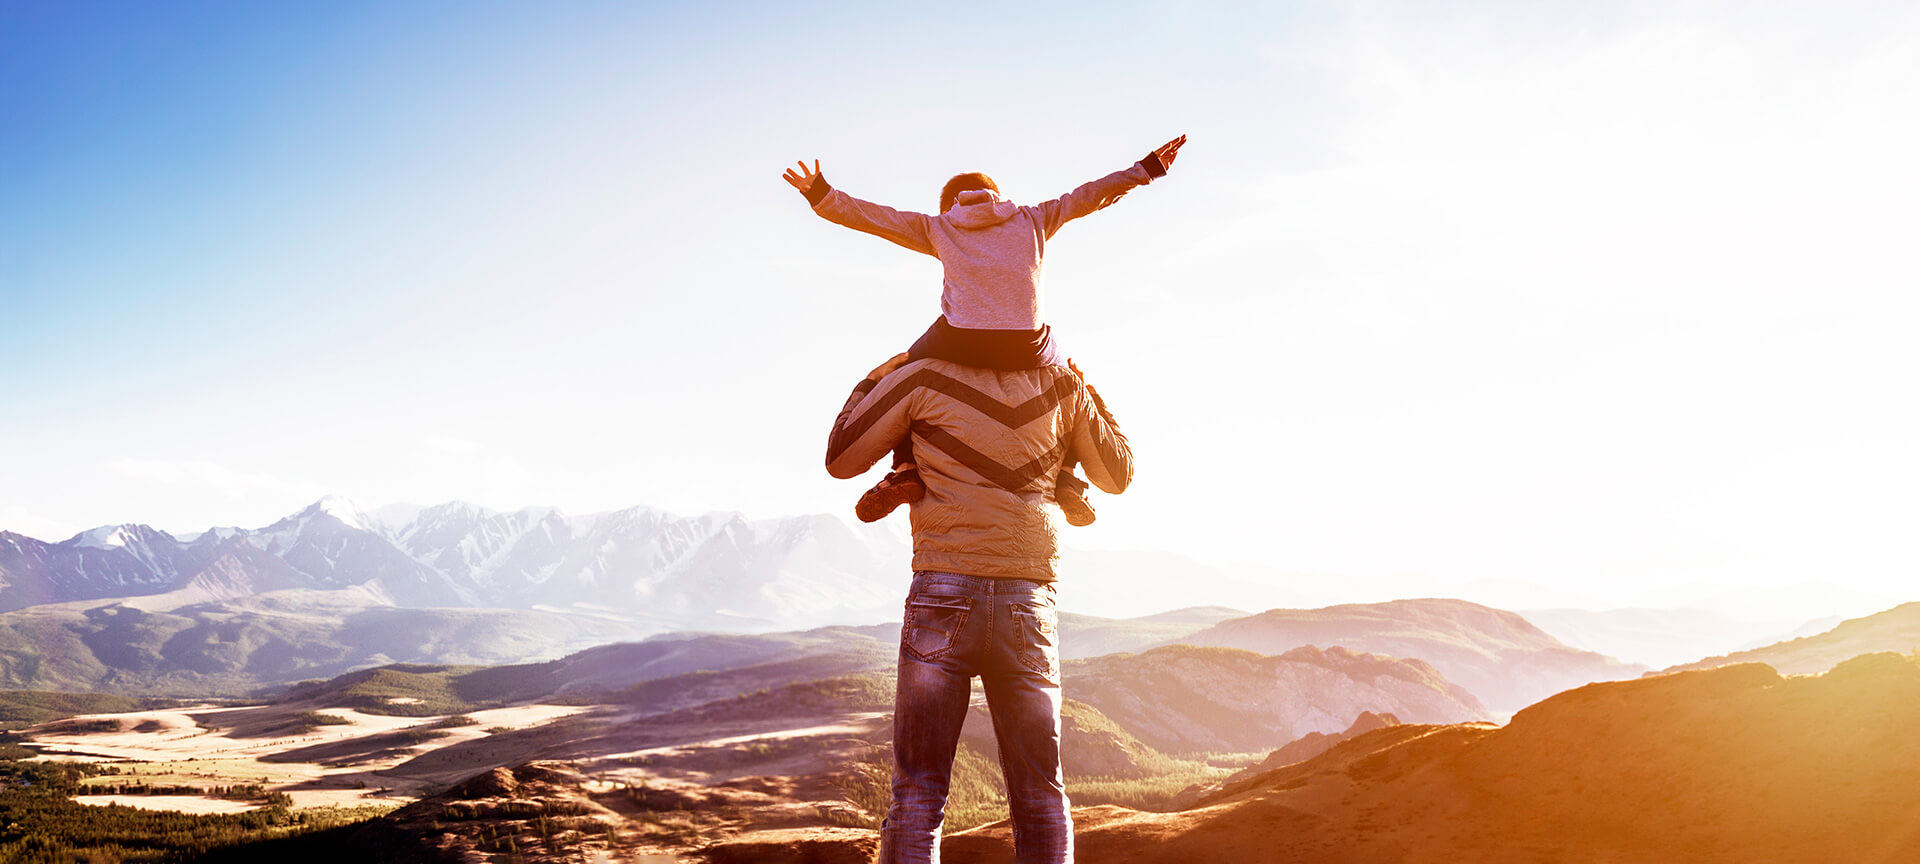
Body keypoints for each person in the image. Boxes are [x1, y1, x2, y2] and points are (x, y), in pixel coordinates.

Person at [825, 350, 1133, 864]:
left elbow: (841, 457)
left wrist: (878, 376)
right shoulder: (1060, 384)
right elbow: (1119, 473)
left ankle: (906, 471)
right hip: (1028, 597)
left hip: (943, 591)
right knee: (1040, 795)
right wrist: (1085, 386)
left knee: (919, 793)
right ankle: (1065, 482)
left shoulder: (921, 375)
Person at [787, 135, 1183, 526]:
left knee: (906, 370)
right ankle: (1067, 478)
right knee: (1069, 381)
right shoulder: (1032, 218)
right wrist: (1145, 170)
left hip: (962, 340)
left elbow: (876, 218)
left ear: (951, 205)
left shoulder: (940, 226)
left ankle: (905, 469)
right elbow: (1089, 197)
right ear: (996, 197)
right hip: (1028, 344)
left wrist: (821, 194)